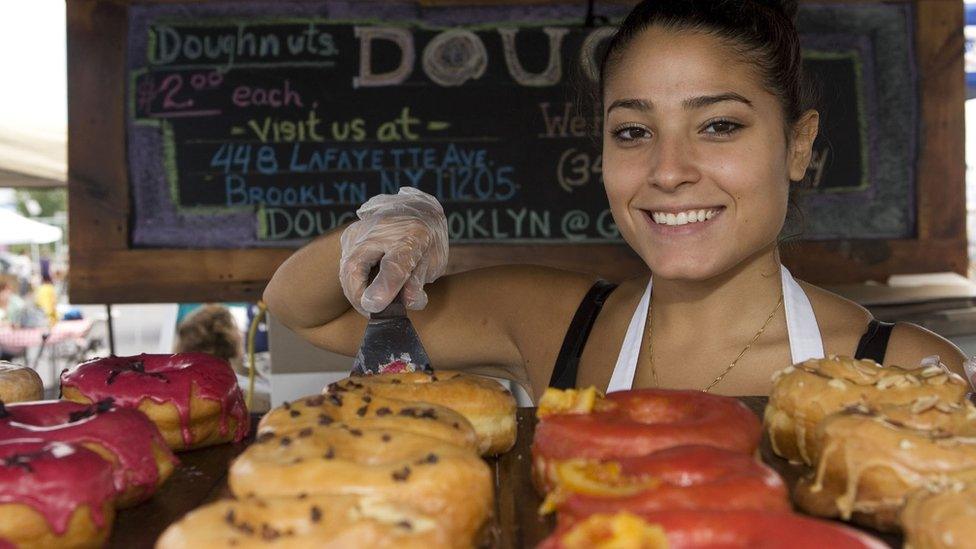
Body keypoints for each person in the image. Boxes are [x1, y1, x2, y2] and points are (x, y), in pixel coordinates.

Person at [264, 0, 968, 401]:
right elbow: (304, 312)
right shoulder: (552, 321)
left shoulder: (903, 368)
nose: (668, 170)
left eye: (719, 124)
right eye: (633, 131)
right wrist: (382, 231)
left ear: (797, 144)